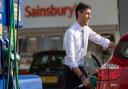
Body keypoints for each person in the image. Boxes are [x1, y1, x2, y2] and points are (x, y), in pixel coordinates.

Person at [64, 2, 116, 89]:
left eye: (90, 14)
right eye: (87, 14)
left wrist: (119, 46)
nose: (90, 17)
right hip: (71, 71)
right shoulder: (70, 32)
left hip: (81, 68)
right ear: (79, 13)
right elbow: (71, 61)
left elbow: (101, 40)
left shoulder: (86, 29)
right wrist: (83, 78)